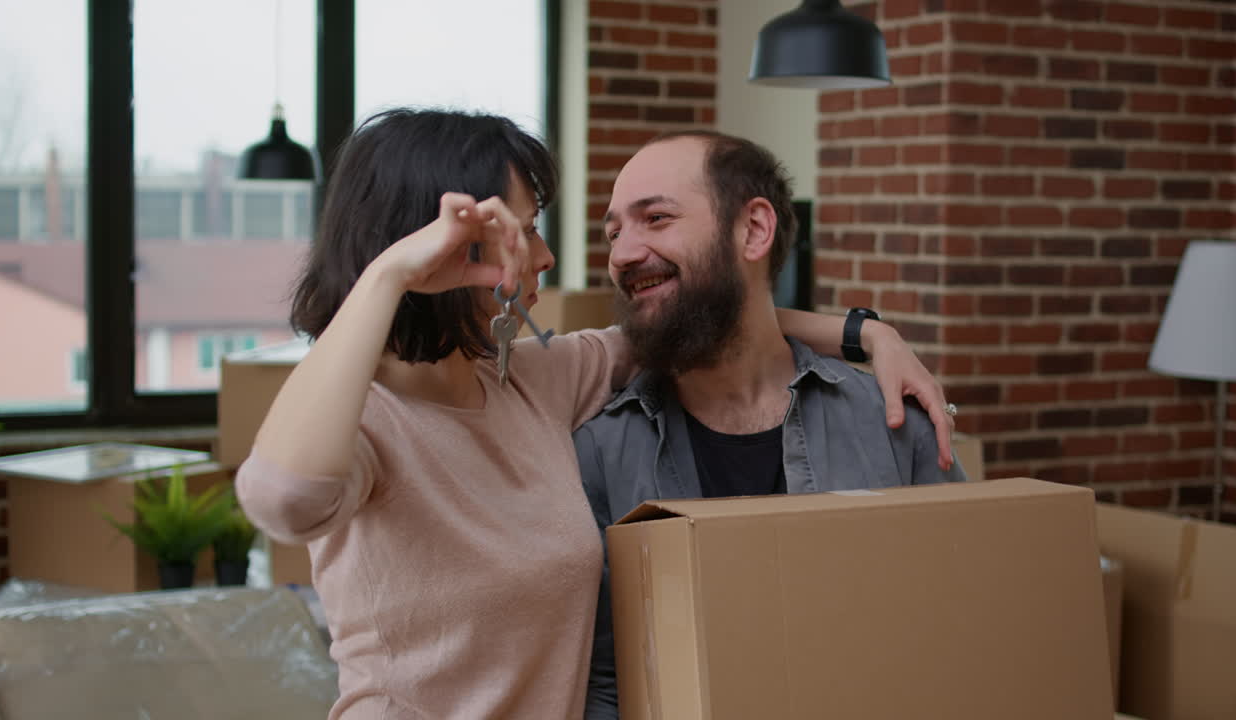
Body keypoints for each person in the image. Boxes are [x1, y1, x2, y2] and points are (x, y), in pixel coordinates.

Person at [235, 108, 951, 719]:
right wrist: (388, 276)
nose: (546, 256)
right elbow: (285, 500)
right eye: (523, 232)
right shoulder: (365, 420)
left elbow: (703, 317)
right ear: (437, 250)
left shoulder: (533, 381)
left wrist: (867, 334)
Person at [577, 130, 969, 719]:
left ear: (754, 230)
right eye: (613, 233)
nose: (622, 255)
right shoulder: (599, 450)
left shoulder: (892, 424)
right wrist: (869, 332)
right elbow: (605, 682)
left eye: (656, 218)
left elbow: (960, 631)